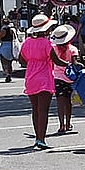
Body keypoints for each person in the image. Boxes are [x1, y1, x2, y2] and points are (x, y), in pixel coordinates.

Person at [18, 15, 57, 150]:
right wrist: (69, 64)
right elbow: (56, 60)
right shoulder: (47, 44)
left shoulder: (27, 42)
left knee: (35, 109)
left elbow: (21, 60)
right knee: (43, 110)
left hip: (30, 77)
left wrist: (32, 60)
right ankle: (41, 138)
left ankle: (37, 137)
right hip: (44, 78)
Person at [50, 24, 79, 135]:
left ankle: (61, 124)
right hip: (70, 78)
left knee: (60, 102)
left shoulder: (53, 48)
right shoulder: (73, 49)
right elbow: (75, 63)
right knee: (68, 102)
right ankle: (68, 123)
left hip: (57, 77)